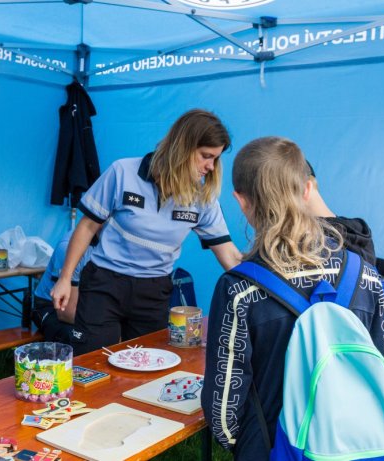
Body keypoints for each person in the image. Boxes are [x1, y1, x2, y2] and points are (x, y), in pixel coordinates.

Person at [203, 136, 384, 460]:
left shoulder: (240, 289)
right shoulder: (364, 273)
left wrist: (251, 444)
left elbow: (223, 411)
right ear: (308, 189)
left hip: (271, 449)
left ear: (241, 201)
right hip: (353, 449)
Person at [51, 109, 242, 355]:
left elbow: (229, 254)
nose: (210, 166)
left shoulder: (203, 198)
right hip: (105, 283)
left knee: (145, 366)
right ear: (182, 147)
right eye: (206, 156)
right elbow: (87, 225)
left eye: (215, 159)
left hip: (153, 292)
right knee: (93, 363)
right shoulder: (122, 172)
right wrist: (65, 278)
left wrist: (261, 287)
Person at [31, 230, 96, 344]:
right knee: (79, 337)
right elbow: (66, 314)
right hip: (50, 306)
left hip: (83, 302)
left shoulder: (109, 243)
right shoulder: (68, 247)